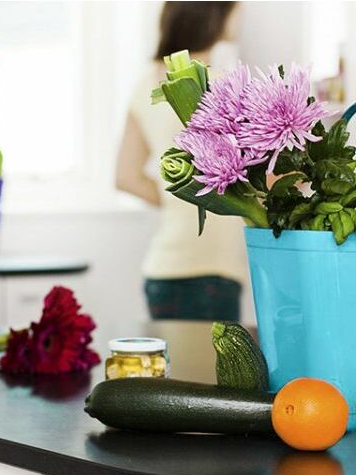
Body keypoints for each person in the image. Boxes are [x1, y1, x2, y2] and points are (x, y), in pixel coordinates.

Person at [116, 2, 247, 322]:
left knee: (175, 372)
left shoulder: (145, 84)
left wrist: (184, 197)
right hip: (211, 271)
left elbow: (126, 177)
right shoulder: (222, 85)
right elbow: (263, 175)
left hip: (162, 270)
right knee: (209, 374)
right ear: (214, 15)